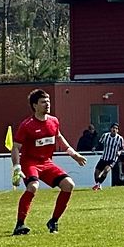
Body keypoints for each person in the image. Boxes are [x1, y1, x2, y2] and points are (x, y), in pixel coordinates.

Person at [10, 88, 88, 235]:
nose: (47, 104)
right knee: (33, 187)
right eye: (43, 102)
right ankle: (20, 224)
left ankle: (54, 221)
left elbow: (59, 138)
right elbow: (15, 147)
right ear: (34, 105)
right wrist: (17, 167)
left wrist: (73, 153)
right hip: (30, 163)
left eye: (48, 101)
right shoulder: (27, 125)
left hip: (47, 163)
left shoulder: (54, 121)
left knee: (69, 185)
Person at [92, 123, 124, 191]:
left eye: (116, 128)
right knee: (96, 172)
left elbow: (121, 148)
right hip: (104, 157)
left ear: (117, 130)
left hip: (112, 159)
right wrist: (95, 148)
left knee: (106, 171)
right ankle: (98, 184)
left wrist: (119, 152)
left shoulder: (120, 138)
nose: (114, 129)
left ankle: (98, 185)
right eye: (113, 128)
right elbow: (100, 143)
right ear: (110, 129)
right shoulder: (105, 135)